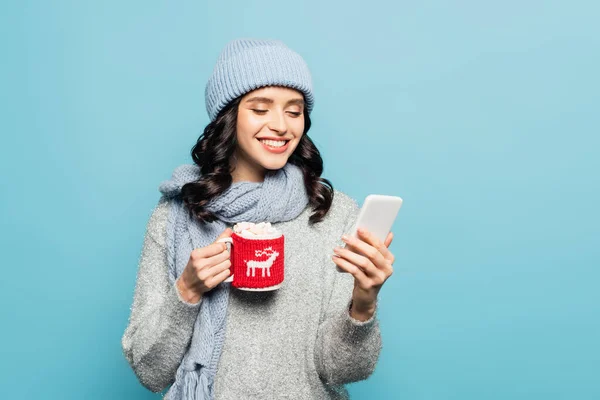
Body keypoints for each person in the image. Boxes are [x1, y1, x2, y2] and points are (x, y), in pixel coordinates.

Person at [121, 38, 395, 400]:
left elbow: (344, 370)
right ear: (229, 117)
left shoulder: (333, 213)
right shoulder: (177, 215)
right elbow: (149, 370)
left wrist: (363, 303)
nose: (281, 126)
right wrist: (188, 289)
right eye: (261, 109)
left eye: (294, 111)